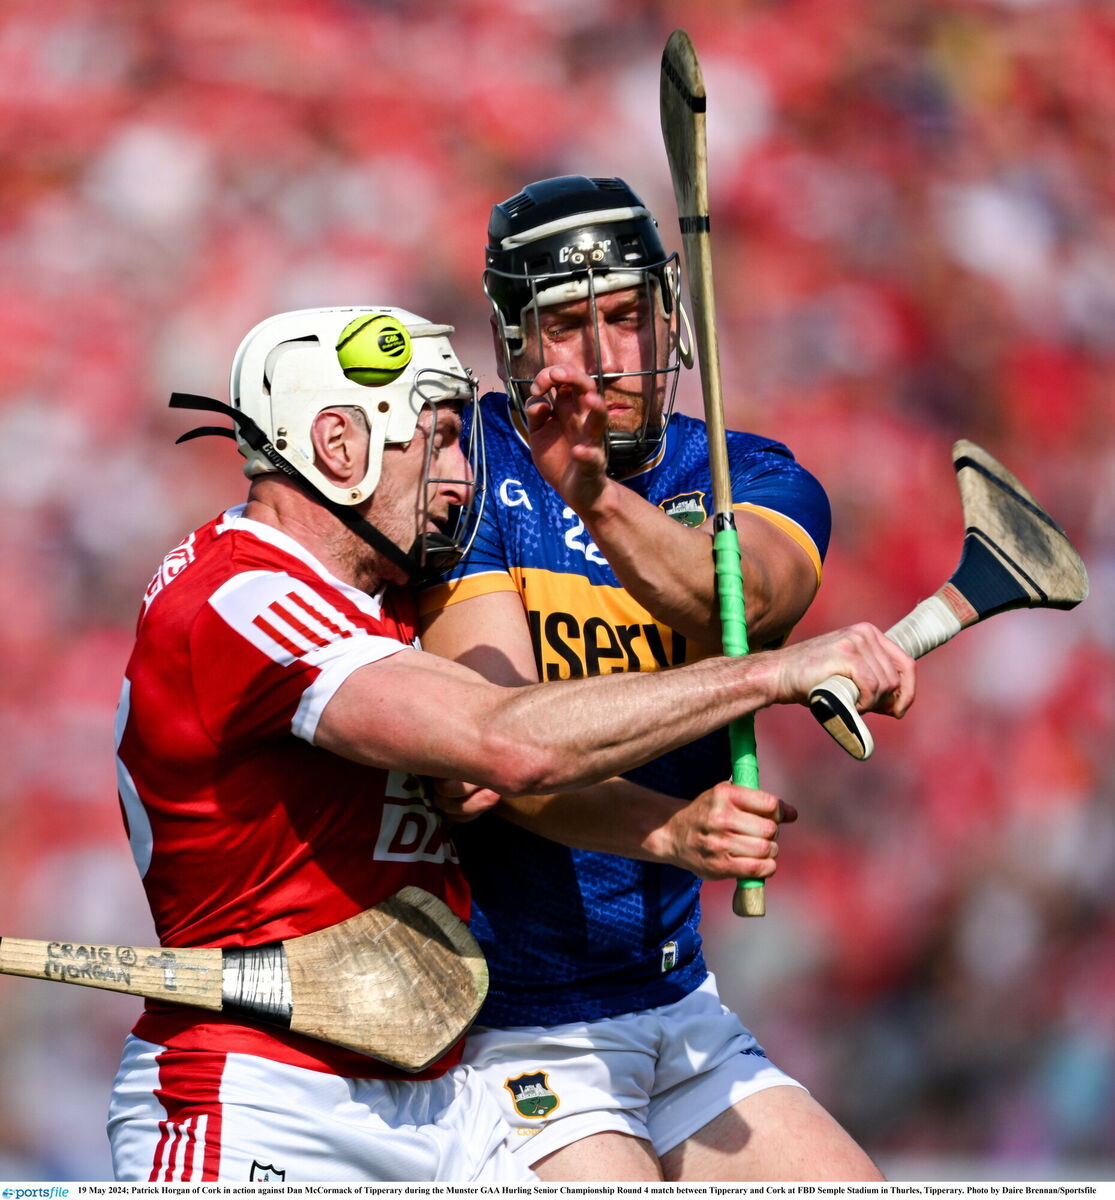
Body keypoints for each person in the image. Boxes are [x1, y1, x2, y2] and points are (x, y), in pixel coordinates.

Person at [109, 304, 913, 1183]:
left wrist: (666, 831)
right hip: (260, 1107)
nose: (464, 477)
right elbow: (509, 740)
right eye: (442, 439)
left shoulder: (373, 601)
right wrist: (768, 673)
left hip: (433, 1103)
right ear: (339, 447)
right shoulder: (243, 598)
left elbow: (515, 757)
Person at [418, 176, 887, 1182]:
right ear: (510, 340)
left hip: (676, 1003)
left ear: (671, 319)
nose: (603, 358)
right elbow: (505, 754)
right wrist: (669, 831)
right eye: (564, 326)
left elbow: (745, 607)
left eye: (627, 317)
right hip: (511, 1026)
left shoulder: (746, 475)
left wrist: (591, 497)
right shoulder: (461, 477)